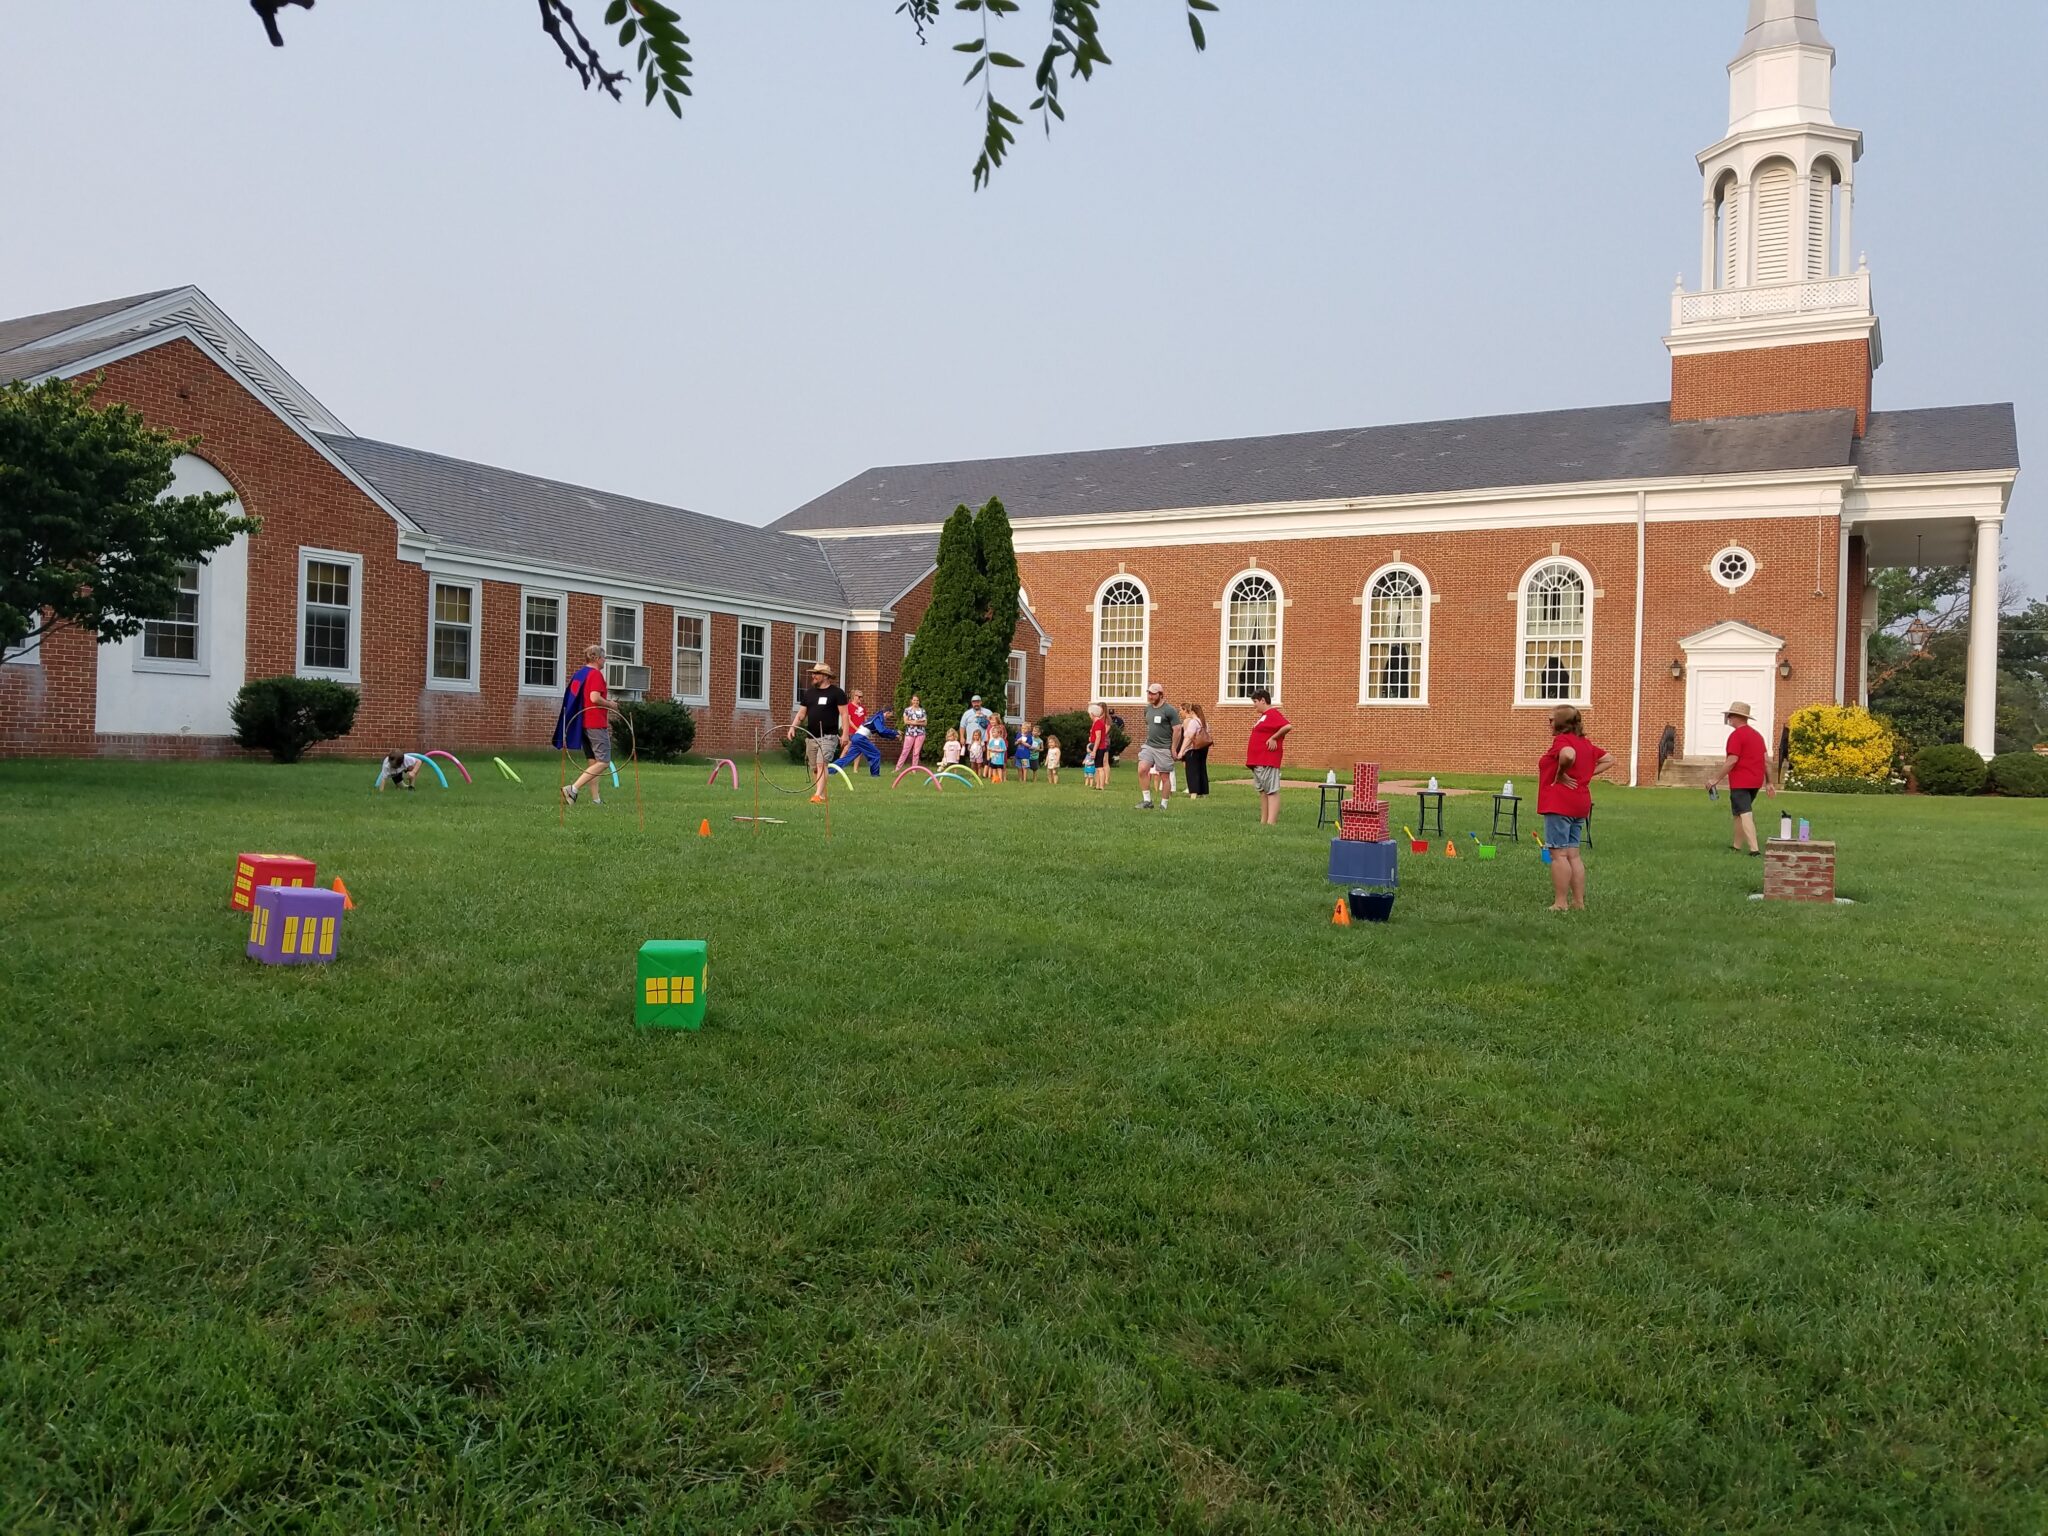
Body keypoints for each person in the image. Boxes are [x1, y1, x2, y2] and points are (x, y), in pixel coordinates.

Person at [1537, 704, 1611, 912]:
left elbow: (1568, 755)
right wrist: (1586, 774)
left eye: (1551, 719)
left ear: (1561, 723)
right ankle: (1578, 902)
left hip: (1559, 803)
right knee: (1573, 854)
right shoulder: (1585, 744)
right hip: (1580, 803)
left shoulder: (1563, 741)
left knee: (1558, 854)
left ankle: (1560, 903)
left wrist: (1560, 774)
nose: (1548, 723)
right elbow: (1609, 759)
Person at [1703, 700, 1774, 855]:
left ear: (1737, 717)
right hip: (1756, 781)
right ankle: (1736, 845)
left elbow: (1732, 760)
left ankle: (1754, 849)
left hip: (1741, 781)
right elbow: (1766, 761)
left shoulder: (1736, 736)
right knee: (1738, 813)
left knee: (1745, 813)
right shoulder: (1757, 736)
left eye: (1730, 716)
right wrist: (1769, 782)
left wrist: (1716, 779)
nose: (1728, 719)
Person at [556, 643, 611, 807]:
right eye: (604, 657)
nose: (605, 660)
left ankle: (596, 800)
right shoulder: (595, 675)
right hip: (595, 722)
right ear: (597, 658)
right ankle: (573, 788)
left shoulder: (580, 674)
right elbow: (594, 698)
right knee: (604, 762)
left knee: (593, 763)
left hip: (583, 723)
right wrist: (611, 704)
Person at [786, 660, 847, 803]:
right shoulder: (809, 693)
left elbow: (844, 714)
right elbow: (801, 714)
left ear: (825, 676)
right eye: (813, 673)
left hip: (828, 737)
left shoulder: (837, 693)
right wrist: (792, 727)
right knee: (815, 768)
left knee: (822, 764)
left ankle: (818, 795)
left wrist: (845, 734)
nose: (813, 676)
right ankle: (821, 794)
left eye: (816, 673)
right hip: (811, 737)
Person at [1244, 686, 1290, 824]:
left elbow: (1287, 726)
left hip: (1267, 759)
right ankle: (1263, 821)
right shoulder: (1264, 717)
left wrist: (1274, 738)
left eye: (1255, 702)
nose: (1254, 706)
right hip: (1258, 760)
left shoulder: (1273, 713)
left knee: (1271, 791)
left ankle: (1271, 821)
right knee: (1263, 791)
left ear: (1263, 700)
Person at [1135, 682, 1182, 810]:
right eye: (1149, 693)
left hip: (1163, 747)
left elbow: (1177, 729)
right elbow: (1149, 724)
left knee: (1164, 776)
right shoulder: (1148, 709)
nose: (1150, 696)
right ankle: (1147, 801)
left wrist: (1173, 748)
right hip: (1149, 745)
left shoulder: (1169, 710)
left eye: (1153, 694)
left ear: (1160, 695)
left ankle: (1164, 805)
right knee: (1142, 769)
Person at [833, 693, 890, 778]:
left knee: (856, 752)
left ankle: (853, 769)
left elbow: (865, 720)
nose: (861, 698)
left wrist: (866, 730)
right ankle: (836, 768)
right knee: (846, 749)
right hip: (852, 731)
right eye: (859, 696)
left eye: (862, 696)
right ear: (853, 697)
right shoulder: (849, 706)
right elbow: (848, 720)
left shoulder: (862, 708)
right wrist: (857, 729)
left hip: (860, 733)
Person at [1178, 702, 1212, 798]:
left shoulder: (1194, 722)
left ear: (1192, 711)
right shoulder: (1205, 723)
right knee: (1202, 769)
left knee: (1192, 771)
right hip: (1203, 748)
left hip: (1193, 749)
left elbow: (1189, 737)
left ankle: (1194, 793)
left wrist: (1181, 751)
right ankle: (1204, 792)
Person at [897, 694, 929, 769]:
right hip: (910, 733)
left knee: (916, 752)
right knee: (905, 751)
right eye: (914, 700)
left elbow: (925, 723)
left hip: (920, 733)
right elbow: (906, 721)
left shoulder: (922, 710)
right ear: (911, 701)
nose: (916, 702)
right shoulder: (907, 710)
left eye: (917, 700)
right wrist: (917, 722)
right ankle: (898, 768)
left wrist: (913, 722)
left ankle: (913, 769)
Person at [1086, 703, 1111, 792]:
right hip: (1100, 746)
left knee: (1100, 767)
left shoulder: (1097, 723)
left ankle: (1101, 786)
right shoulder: (1097, 723)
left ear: (1092, 714)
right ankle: (1098, 785)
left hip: (1099, 747)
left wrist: (1094, 751)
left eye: (1089, 714)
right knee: (1098, 767)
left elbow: (1098, 738)